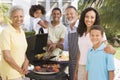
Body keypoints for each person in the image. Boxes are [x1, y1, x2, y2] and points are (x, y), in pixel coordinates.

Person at [77, 7, 116, 80]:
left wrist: (114, 50)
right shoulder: (80, 33)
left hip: (94, 67)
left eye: (92, 17)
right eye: (87, 17)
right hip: (81, 67)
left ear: (95, 19)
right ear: (83, 18)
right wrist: (76, 70)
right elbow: (80, 52)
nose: (89, 19)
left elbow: (107, 48)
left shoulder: (100, 33)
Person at [0, 6, 29, 80]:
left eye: (21, 16)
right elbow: (7, 57)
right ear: (10, 18)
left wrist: (26, 61)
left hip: (21, 72)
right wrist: (20, 70)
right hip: (10, 74)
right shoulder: (6, 32)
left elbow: (22, 50)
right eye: (15, 17)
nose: (19, 19)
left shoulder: (22, 31)